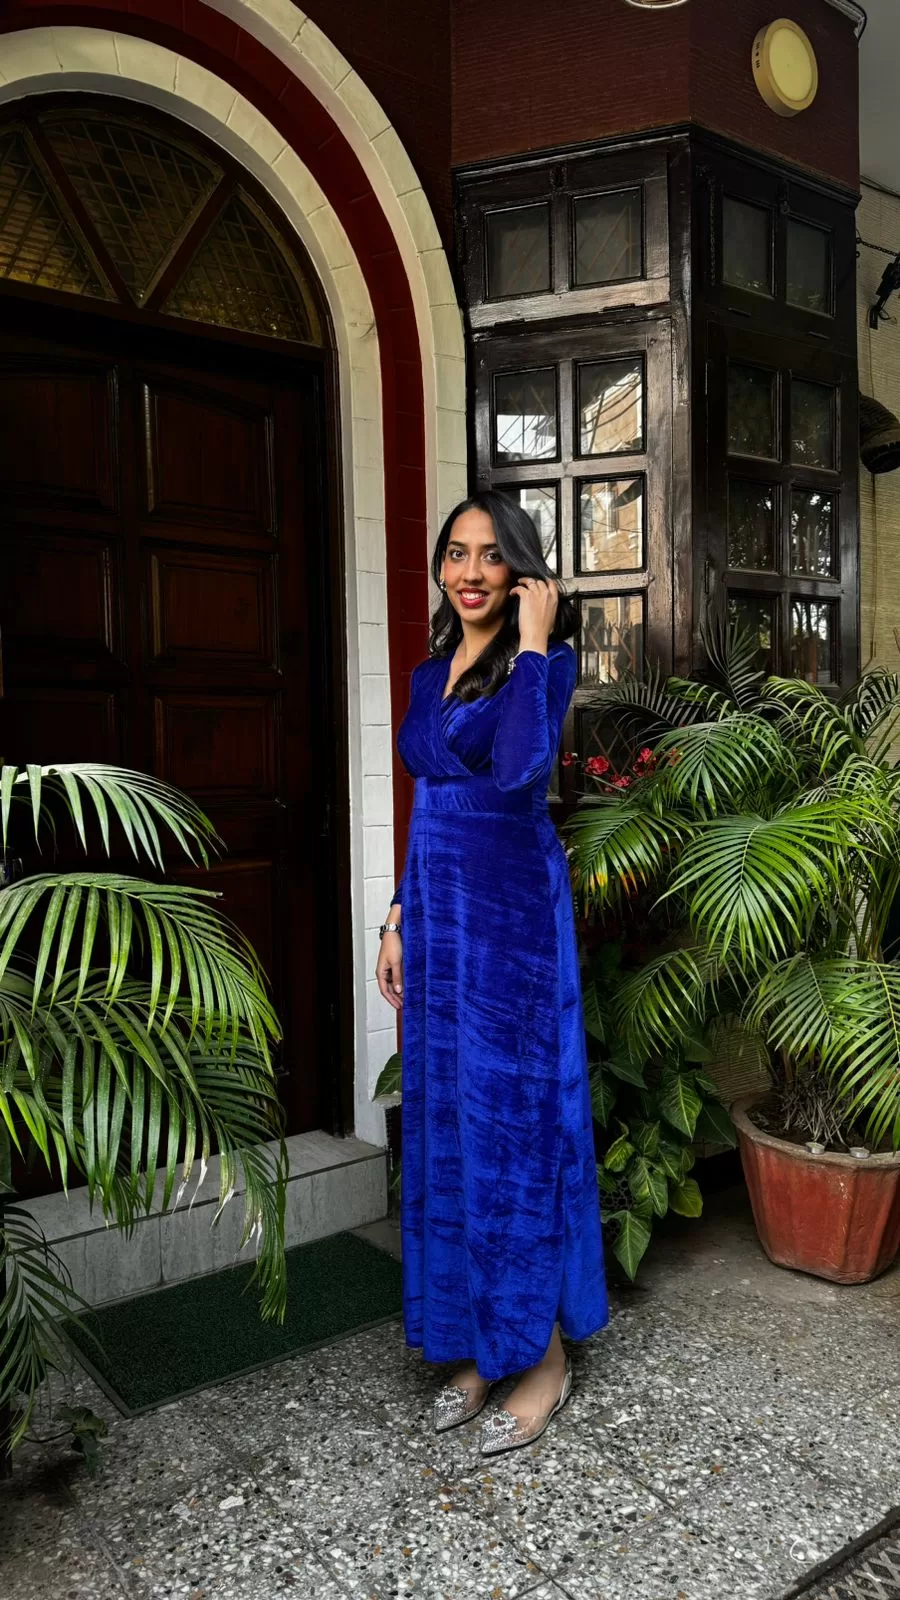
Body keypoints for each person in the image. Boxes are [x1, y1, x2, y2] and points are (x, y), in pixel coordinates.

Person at [375, 491, 608, 1457]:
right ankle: (478, 1342)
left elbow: (517, 774)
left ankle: (542, 1359)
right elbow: (431, 805)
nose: (469, 572)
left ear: (520, 570)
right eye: (456, 554)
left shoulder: (544, 665)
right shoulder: (429, 673)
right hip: (440, 920)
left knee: (512, 1127)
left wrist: (537, 643)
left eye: (490, 555)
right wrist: (398, 918)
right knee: (451, 1127)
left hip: (512, 924)